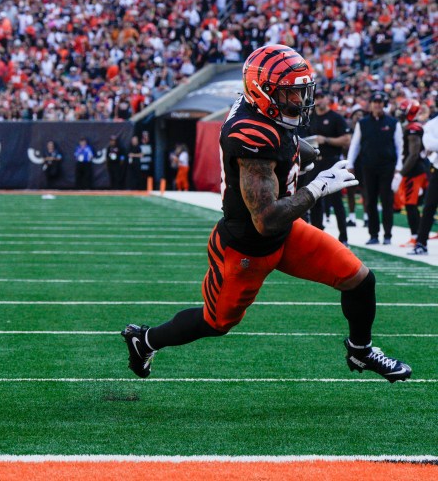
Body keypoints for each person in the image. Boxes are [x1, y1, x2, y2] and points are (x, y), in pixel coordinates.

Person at [122, 44, 411, 384]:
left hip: (285, 234)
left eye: (303, 92)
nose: (301, 102)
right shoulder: (251, 135)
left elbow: (281, 139)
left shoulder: (260, 108)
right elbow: (266, 218)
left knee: (360, 280)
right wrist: (316, 188)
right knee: (217, 322)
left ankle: (361, 351)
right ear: (265, 93)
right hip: (248, 247)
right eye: (291, 94)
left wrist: (302, 149)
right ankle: (145, 340)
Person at [346, 91, 403, 245]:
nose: (377, 104)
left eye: (380, 102)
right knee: (370, 200)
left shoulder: (393, 123)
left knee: (386, 200)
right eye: (375, 101)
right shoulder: (362, 123)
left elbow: (400, 147)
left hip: (387, 167)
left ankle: (388, 235)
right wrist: (350, 164)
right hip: (368, 166)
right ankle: (373, 234)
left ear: (384, 104)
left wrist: (399, 167)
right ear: (370, 104)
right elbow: (355, 145)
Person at [306, 90, 351, 245]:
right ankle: (318, 235)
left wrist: (325, 139)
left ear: (327, 98)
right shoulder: (309, 117)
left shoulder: (336, 117)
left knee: (336, 201)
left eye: (321, 97)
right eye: (316, 98)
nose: (319, 101)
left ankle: (343, 237)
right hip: (314, 162)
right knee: (314, 199)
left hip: (331, 162)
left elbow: (346, 140)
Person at [392, 100, 426, 245]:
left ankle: (416, 236)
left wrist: (401, 173)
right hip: (413, 171)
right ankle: (416, 236)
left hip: (415, 172)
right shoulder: (410, 127)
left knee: (411, 205)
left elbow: (413, 154)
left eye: (403, 111)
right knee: (410, 204)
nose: (400, 114)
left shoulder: (413, 129)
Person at [409, 113, 438, 256]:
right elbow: (429, 144)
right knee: (429, 206)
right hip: (437, 170)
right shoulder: (432, 124)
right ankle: (421, 243)